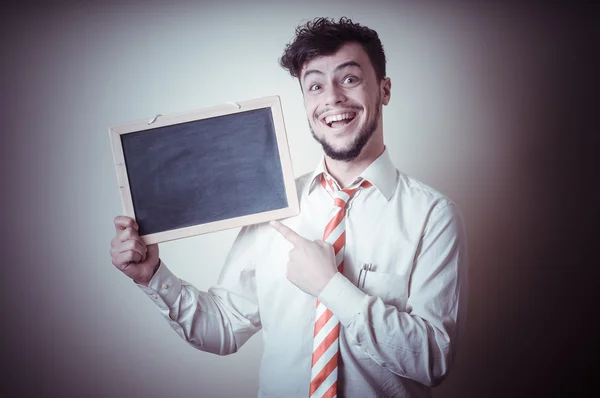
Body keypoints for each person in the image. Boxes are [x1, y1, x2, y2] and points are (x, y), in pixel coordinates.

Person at [110, 17, 468, 398]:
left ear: (384, 90)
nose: (331, 98)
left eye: (349, 79)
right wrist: (152, 277)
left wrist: (331, 287)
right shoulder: (273, 208)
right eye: (315, 86)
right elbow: (225, 327)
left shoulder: (434, 217)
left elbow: (432, 360)